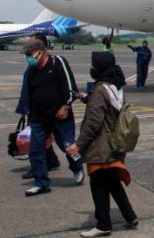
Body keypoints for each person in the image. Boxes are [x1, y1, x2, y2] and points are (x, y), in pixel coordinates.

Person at [68, 52, 138, 237]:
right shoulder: (115, 86)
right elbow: (107, 107)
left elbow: (94, 122)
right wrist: (87, 98)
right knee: (113, 182)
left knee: (98, 184)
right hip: (115, 144)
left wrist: (78, 144)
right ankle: (130, 216)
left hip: (101, 145)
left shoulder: (100, 90)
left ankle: (103, 224)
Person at [22, 39, 84, 196]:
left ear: (40, 52)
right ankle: (41, 183)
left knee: (68, 147)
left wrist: (66, 106)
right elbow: (28, 92)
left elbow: (71, 88)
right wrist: (27, 113)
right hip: (39, 117)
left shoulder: (58, 62)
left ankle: (77, 167)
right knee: (36, 150)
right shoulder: (31, 70)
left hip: (60, 116)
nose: (28, 58)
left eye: (29, 55)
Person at [15, 33, 60, 180]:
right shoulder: (34, 64)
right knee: (42, 138)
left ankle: (39, 168)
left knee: (37, 140)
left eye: (31, 42)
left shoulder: (49, 64)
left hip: (41, 109)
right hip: (34, 107)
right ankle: (51, 160)